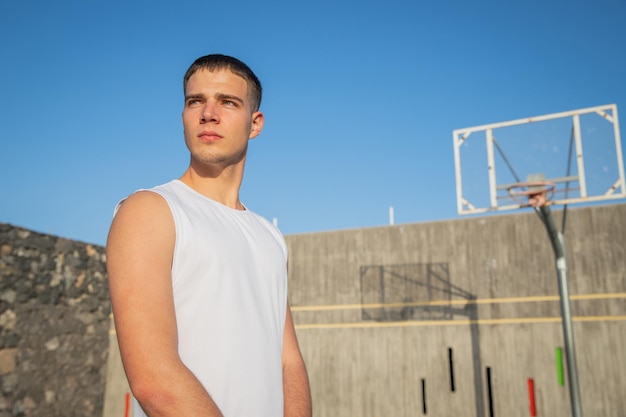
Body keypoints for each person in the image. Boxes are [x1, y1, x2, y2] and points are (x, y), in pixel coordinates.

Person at [106, 54, 312, 417]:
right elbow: (154, 379)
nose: (208, 113)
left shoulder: (270, 236)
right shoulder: (149, 210)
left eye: (228, 102)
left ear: (255, 123)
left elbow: (289, 361)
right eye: (195, 101)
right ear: (183, 116)